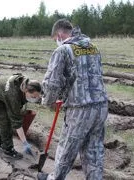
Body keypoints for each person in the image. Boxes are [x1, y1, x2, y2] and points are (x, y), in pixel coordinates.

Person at [38, 19, 108, 180]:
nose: (56, 41)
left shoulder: (62, 50)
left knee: (67, 148)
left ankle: (54, 178)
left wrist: (47, 102)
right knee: (94, 149)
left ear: (60, 34)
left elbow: (52, 82)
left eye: (55, 38)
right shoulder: (93, 47)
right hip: (101, 106)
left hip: (79, 109)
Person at [0, 73, 42, 159]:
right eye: (33, 97)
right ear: (25, 91)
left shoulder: (26, 83)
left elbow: (19, 103)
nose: (35, 98)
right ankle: (8, 149)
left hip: (1, 94)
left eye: (37, 97)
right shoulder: (13, 96)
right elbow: (16, 123)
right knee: (5, 121)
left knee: (5, 119)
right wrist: (25, 143)